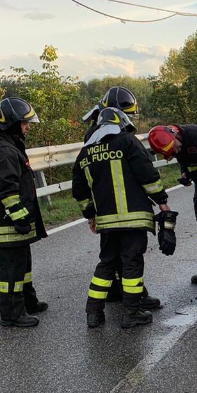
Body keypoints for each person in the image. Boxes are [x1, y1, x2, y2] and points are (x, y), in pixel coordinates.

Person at [73, 107, 174, 329]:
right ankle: (131, 312)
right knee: (131, 264)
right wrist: (162, 201)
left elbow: (79, 191)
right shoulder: (127, 142)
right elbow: (147, 174)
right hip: (133, 219)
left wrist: (91, 216)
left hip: (106, 223)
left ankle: (94, 313)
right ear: (120, 123)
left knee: (107, 264)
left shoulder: (86, 151)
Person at [0, 97, 49, 328]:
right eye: (24, 123)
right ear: (11, 123)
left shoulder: (9, 147)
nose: (27, 127)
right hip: (6, 226)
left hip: (12, 224)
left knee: (22, 267)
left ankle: (27, 302)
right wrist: (20, 218)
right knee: (10, 272)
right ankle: (11, 315)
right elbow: (7, 191)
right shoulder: (4, 152)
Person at [80, 86, 143, 306]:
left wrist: (90, 212)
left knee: (111, 257)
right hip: (121, 209)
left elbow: (82, 179)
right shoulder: (111, 135)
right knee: (128, 257)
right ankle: (133, 299)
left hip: (105, 210)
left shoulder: (93, 134)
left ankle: (113, 297)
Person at [147, 124, 197, 295]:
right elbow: (185, 160)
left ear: (175, 135)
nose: (178, 150)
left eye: (176, 148)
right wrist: (185, 173)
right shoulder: (174, 143)